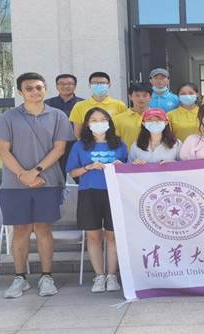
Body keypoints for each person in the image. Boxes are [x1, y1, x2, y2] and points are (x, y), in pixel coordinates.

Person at [0, 72, 74, 299]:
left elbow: (59, 149)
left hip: (48, 182)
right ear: (21, 92)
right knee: (21, 229)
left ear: (45, 89)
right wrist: (22, 175)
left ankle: (47, 277)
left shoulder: (58, 116)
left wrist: (35, 172)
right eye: (29, 88)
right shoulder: (8, 117)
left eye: (38, 87)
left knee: (43, 228)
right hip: (14, 185)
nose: (34, 92)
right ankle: (20, 277)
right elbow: (2, 150)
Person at [66, 107, 126, 293]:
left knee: (112, 236)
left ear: (109, 122)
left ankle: (112, 275)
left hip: (114, 193)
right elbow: (72, 172)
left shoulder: (119, 144)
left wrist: (121, 166)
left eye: (102, 119)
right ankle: (99, 276)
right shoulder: (79, 146)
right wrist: (89, 167)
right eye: (94, 120)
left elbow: (129, 170)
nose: (99, 123)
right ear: (87, 124)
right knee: (93, 236)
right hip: (89, 192)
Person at [45, 74, 83, 181]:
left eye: (69, 84)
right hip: (54, 146)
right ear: (56, 86)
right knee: (57, 179)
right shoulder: (47, 104)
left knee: (81, 177)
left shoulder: (83, 104)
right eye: (61, 84)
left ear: (75, 86)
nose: (66, 86)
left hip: (77, 145)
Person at [69, 72, 127, 138]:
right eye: (95, 83)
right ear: (89, 85)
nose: (99, 85)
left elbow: (124, 128)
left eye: (102, 83)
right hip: (89, 143)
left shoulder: (119, 105)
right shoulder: (79, 106)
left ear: (109, 84)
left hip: (114, 142)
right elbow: (77, 133)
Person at [113, 82, 152, 149]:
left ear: (150, 97)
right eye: (137, 95)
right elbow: (114, 141)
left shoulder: (159, 118)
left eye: (145, 95)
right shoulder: (117, 119)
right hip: (127, 155)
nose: (141, 98)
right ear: (130, 97)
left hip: (153, 155)